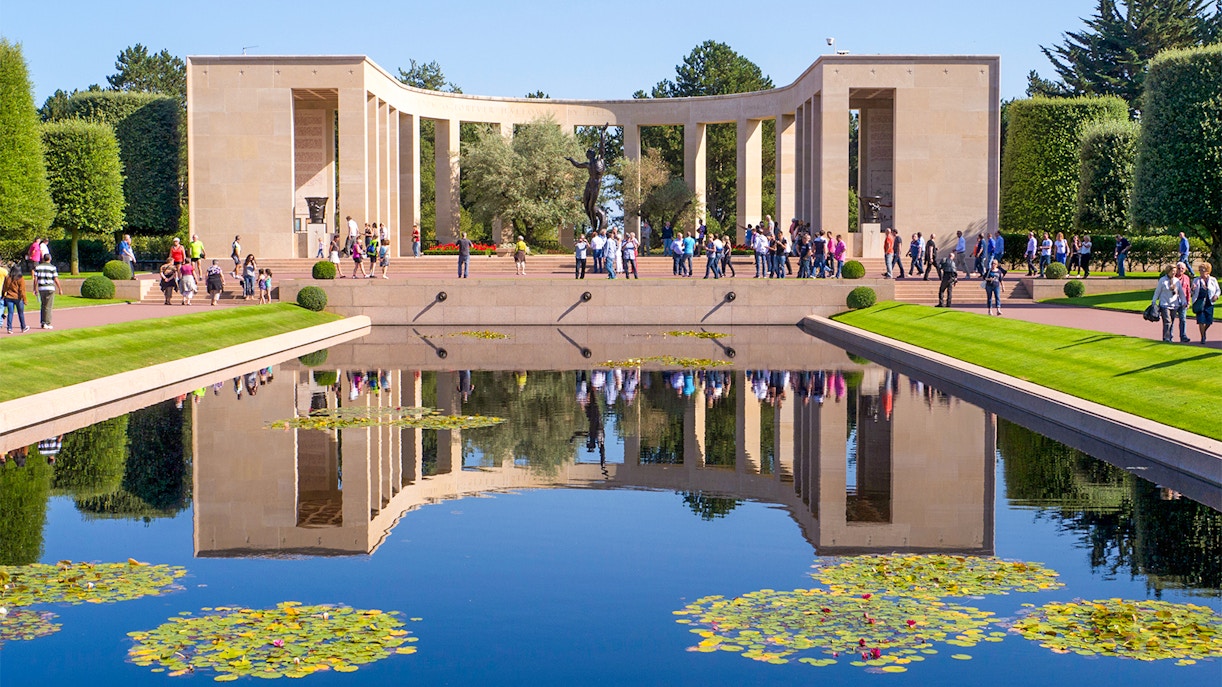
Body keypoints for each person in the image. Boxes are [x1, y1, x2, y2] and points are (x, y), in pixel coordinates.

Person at [1152, 264, 1187, 343]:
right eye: (1172, 271)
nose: (1174, 273)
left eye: (1175, 272)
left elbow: (1181, 292)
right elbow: (1157, 292)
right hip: (1164, 304)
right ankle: (1166, 338)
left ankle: (1170, 337)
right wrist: (1154, 301)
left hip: (1174, 304)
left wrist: (1184, 301)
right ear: (1168, 271)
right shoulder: (1162, 280)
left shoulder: (1176, 281)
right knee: (1167, 321)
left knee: (1172, 322)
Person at [1191, 262, 1219, 343]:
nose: (1201, 272)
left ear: (1207, 271)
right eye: (1199, 270)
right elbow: (1191, 293)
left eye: (1202, 270)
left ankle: (1204, 331)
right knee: (1201, 321)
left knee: (1209, 321)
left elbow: (1218, 290)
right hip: (1199, 303)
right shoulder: (1196, 280)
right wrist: (1192, 289)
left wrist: (1216, 296)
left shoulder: (1213, 280)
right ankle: (1203, 337)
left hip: (1209, 303)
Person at [32, 254, 62, 329]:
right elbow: (55, 279)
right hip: (50, 288)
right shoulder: (52, 267)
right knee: (48, 306)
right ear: (50, 259)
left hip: (41, 288)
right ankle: (47, 323)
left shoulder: (38, 267)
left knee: (43, 305)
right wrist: (60, 288)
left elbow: (35, 279)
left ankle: (43, 322)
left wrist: (34, 289)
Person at [3, 267, 29, 333]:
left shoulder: (8, 277)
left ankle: (9, 328)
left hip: (9, 297)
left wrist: (3, 295)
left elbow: (4, 287)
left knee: (10, 313)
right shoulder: (20, 278)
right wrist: (25, 299)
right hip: (18, 298)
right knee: (20, 313)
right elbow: (22, 290)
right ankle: (23, 327)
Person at [1174, 262, 1192, 343]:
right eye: (1179, 268)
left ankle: (1183, 336)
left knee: (1183, 319)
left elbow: (1188, 291)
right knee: (1171, 319)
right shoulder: (1172, 277)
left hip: (1183, 302)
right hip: (1173, 302)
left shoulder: (1186, 278)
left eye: (1182, 268)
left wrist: (1188, 302)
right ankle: (1169, 336)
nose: (1180, 270)